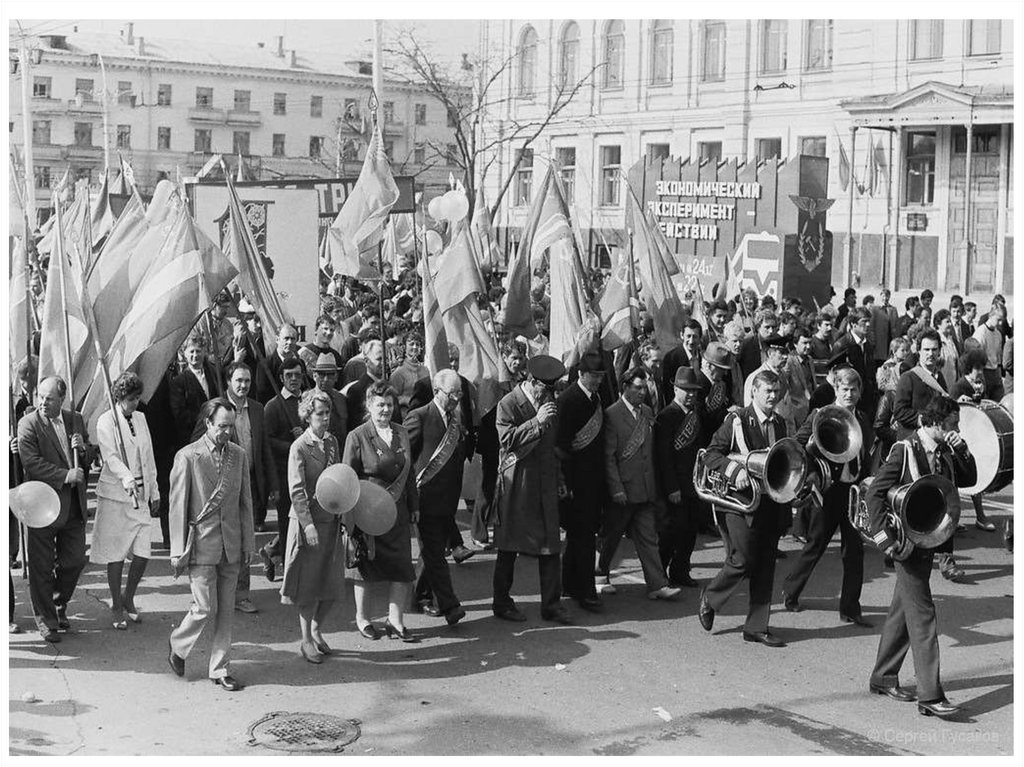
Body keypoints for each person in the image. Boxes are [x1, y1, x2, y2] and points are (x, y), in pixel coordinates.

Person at [867, 394, 976, 719]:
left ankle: (883, 676)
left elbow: (969, 480)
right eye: (952, 425)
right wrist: (884, 540)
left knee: (903, 612)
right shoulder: (905, 449)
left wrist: (962, 447)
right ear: (933, 423)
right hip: (905, 545)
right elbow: (875, 493)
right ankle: (930, 695)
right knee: (924, 617)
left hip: (929, 541)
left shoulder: (944, 449)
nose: (956, 429)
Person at [698, 370, 790, 647]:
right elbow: (711, 453)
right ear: (754, 393)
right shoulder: (736, 420)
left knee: (765, 565)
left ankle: (756, 627)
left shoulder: (781, 424)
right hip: (738, 502)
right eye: (767, 392)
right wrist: (733, 469)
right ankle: (710, 599)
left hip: (768, 502)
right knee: (743, 559)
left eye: (776, 392)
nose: (773, 397)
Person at [168, 398, 254, 692]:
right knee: (203, 608)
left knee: (226, 610)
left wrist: (248, 542)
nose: (227, 432)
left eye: (231, 427)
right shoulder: (188, 456)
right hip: (201, 543)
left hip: (231, 542)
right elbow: (177, 506)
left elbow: (246, 502)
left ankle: (220, 669)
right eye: (221, 427)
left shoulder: (238, 455)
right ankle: (178, 645)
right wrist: (177, 550)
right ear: (207, 423)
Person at [781, 368, 874, 625]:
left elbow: (865, 453)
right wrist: (811, 472)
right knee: (816, 545)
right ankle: (790, 591)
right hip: (828, 490)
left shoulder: (863, 419)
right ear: (836, 390)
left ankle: (850, 609)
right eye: (844, 389)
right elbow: (797, 444)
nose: (849, 394)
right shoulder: (820, 415)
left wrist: (868, 478)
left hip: (853, 492)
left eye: (854, 390)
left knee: (854, 552)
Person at [491, 355, 572, 624]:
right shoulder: (508, 403)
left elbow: (552, 449)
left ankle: (552, 604)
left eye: (552, 389)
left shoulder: (552, 405)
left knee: (550, 545)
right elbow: (507, 440)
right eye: (544, 389)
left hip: (545, 484)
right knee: (509, 546)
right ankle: (501, 602)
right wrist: (536, 421)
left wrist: (560, 480)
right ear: (530, 381)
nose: (548, 394)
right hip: (518, 484)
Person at [17, 376, 98, 643]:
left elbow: (86, 461)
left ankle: (58, 602)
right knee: (41, 567)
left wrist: (82, 450)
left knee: (74, 561)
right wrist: (65, 475)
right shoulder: (28, 424)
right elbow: (31, 463)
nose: (42, 402)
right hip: (41, 505)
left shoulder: (75, 419)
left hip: (73, 506)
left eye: (49, 398)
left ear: (62, 399)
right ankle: (47, 621)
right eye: (40, 396)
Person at [342, 382, 420, 642]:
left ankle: (395, 620)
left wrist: (414, 506)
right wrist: (350, 517)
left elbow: (409, 473)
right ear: (369, 406)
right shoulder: (358, 435)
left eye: (389, 404)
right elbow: (347, 478)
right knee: (365, 567)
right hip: (368, 513)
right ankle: (363, 619)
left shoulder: (401, 432)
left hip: (397, 511)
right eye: (380, 405)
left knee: (401, 567)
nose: (385, 410)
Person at [599, 367, 681, 601]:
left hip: (645, 489)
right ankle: (599, 575)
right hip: (623, 490)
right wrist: (615, 488)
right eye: (637, 387)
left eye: (644, 387)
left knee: (648, 538)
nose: (642, 392)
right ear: (625, 387)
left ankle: (657, 584)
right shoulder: (612, 414)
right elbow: (609, 456)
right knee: (610, 537)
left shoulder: (646, 411)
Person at [281, 389, 346, 663]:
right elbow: (296, 491)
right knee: (308, 584)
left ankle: (318, 629)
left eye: (328, 412)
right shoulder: (299, 447)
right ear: (308, 416)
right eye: (320, 414)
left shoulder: (332, 443)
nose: (325, 418)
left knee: (331, 582)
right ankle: (306, 638)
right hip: (307, 523)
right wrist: (307, 526)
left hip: (331, 520)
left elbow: (338, 479)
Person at [91, 372, 159, 629]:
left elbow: (149, 454)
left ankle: (128, 597)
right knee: (116, 552)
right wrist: (128, 479)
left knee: (143, 552)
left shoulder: (141, 418)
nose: (135, 403)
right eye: (131, 399)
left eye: (138, 398)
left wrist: (155, 491)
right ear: (119, 397)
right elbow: (110, 456)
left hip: (141, 495)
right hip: (116, 495)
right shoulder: (105, 421)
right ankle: (117, 606)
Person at [405, 370, 469, 626]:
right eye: (452, 394)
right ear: (436, 392)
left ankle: (420, 596)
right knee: (435, 554)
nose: (456, 399)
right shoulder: (419, 417)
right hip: (425, 499)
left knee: (431, 552)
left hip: (448, 500)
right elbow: (405, 458)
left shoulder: (456, 419)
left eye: (459, 394)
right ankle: (449, 604)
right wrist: (409, 498)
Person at [555, 351, 607, 612]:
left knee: (581, 535)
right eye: (594, 376)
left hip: (593, 479)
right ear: (581, 374)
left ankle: (570, 583)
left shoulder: (597, 398)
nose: (598, 381)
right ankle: (586, 591)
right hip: (575, 481)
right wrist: (565, 481)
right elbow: (560, 446)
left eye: (600, 376)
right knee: (583, 536)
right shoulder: (568, 400)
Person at [223, 362, 278, 613]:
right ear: (228, 382)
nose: (243, 385)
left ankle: (242, 594)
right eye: (238, 380)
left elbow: (264, 447)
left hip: (251, 483)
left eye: (247, 380)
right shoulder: (217, 409)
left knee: (247, 540)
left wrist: (273, 484)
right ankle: (219, 591)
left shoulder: (256, 409)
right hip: (224, 487)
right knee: (224, 542)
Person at [654, 367, 708, 588]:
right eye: (686, 390)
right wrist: (671, 487)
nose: (690, 394)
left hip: (693, 482)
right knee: (671, 533)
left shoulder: (695, 415)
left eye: (693, 391)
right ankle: (660, 572)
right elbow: (663, 456)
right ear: (675, 388)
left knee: (690, 531)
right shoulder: (667, 416)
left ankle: (681, 571)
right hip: (675, 486)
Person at [261, 356, 306, 581]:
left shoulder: (308, 401)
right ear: (281, 378)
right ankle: (288, 569)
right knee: (287, 522)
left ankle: (271, 550)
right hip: (283, 474)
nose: (294, 379)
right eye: (289, 375)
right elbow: (267, 441)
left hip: (307, 472)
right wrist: (293, 445)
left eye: (298, 375)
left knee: (304, 518)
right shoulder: (273, 406)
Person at [949, 349, 997, 533]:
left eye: (982, 369)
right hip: (959, 435)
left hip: (973, 434)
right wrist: (958, 401)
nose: (981, 373)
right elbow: (950, 407)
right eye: (977, 369)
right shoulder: (958, 386)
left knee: (975, 475)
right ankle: (972, 517)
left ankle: (978, 516)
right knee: (956, 478)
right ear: (969, 368)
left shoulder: (979, 383)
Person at [170, 333, 224, 448]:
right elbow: (180, 414)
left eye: (198, 351)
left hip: (216, 433)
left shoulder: (214, 374)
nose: (195, 355)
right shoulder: (179, 382)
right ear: (185, 353)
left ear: (204, 352)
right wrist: (205, 419)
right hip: (193, 438)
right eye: (191, 351)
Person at [831, 307, 877, 416]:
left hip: (868, 402)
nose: (868, 324)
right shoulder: (841, 345)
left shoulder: (868, 345)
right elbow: (835, 377)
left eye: (868, 321)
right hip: (849, 401)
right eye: (864, 321)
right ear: (853, 324)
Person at [307, 354, 349, 460]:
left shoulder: (341, 398)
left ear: (336, 377)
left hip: (340, 454)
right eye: (321, 375)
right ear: (314, 375)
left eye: (330, 375)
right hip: (316, 457)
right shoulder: (307, 399)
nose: (325, 379)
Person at [254, 323, 300, 404]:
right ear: (277, 339)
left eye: (293, 339)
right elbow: (262, 396)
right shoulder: (265, 365)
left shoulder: (300, 364)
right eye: (286, 338)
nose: (289, 342)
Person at [661, 319, 702, 404]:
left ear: (700, 338)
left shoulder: (702, 357)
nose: (691, 341)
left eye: (695, 336)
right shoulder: (671, 358)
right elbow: (668, 389)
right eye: (688, 336)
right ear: (682, 335)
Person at [389, 331, 430, 415]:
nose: (415, 347)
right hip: (406, 415)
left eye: (417, 344)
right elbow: (392, 398)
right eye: (411, 344)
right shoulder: (398, 373)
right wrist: (405, 399)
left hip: (425, 414)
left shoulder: (426, 370)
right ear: (404, 347)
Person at [972, 303, 1007, 401]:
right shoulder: (981, 333)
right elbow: (976, 360)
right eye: (998, 320)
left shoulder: (998, 334)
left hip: (995, 373)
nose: (1000, 323)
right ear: (991, 316)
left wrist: (999, 375)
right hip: (984, 372)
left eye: (1002, 321)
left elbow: (998, 357)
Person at [738, 310, 780, 380]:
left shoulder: (778, 343)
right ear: (758, 327)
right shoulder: (747, 345)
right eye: (767, 327)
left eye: (773, 327)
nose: (771, 331)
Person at [933, 309, 960, 389]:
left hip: (952, 383)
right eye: (947, 322)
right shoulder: (935, 340)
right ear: (938, 324)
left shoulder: (951, 340)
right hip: (940, 384)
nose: (950, 324)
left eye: (950, 321)